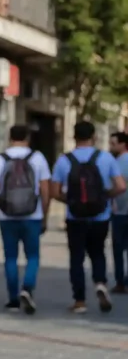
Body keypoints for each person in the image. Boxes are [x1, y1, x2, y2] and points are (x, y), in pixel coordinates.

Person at [49, 120, 127, 314]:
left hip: (75, 217)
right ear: (94, 137)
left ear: (74, 137)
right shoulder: (106, 158)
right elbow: (121, 186)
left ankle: (79, 301)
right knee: (98, 252)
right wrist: (104, 197)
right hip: (100, 216)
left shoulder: (63, 160)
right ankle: (100, 282)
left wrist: (72, 201)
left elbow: (55, 191)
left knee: (76, 258)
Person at [0, 125, 51, 313]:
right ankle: (27, 288)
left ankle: (13, 298)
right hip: (33, 215)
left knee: (10, 257)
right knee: (33, 256)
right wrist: (45, 215)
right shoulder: (38, 158)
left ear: (10, 137)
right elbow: (45, 190)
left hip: (6, 215)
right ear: (28, 137)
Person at [110, 131, 128, 293]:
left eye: (114, 143)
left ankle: (120, 282)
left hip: (120, 211)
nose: (111, 146)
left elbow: (115, 186)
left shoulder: (117, 163)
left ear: (123, 144)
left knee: (117, 249)